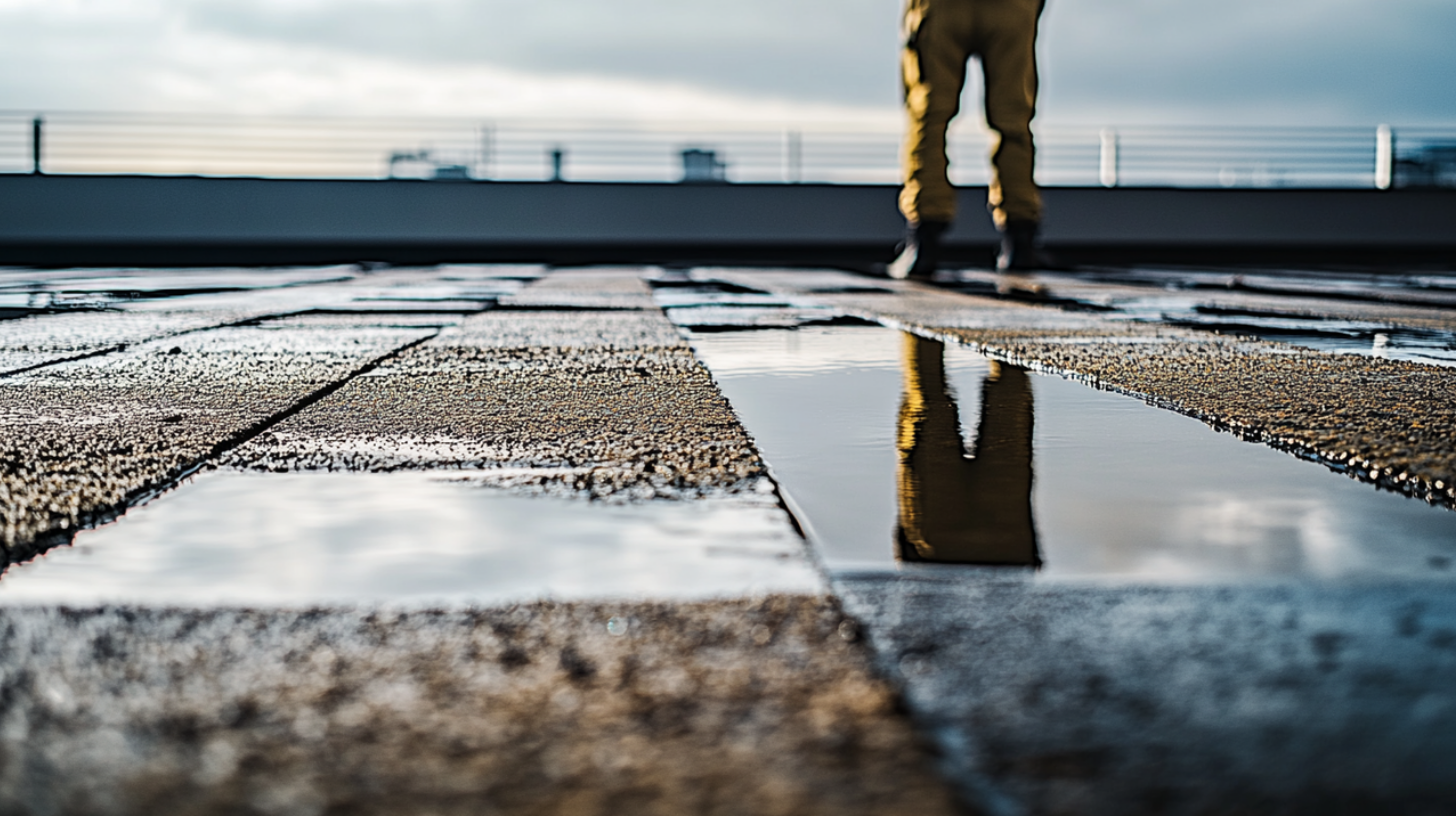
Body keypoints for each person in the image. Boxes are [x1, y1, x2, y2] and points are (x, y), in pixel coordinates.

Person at [888, 0, 1051, 280]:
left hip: (942, 8)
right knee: (1013, 121)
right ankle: (1020, 242)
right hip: (1011, 8)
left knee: (928, 118)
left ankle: (924, 240)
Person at [895, 333, 1040, 565]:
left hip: (992, 546)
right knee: (1004, 408)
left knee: (930, 409)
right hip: (1002, 548)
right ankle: (1005, 311)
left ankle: (926, 309)